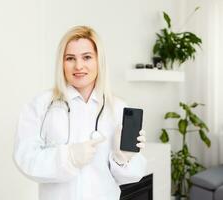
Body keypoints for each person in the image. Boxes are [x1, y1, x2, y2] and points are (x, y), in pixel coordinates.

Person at [13, 25, 147, 200]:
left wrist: (123, 159)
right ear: (61, 62)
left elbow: (132, 177)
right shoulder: (42, 105)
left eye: (87, 57)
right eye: (70, 58)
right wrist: (68, 157)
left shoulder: (118, 108)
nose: (79, 66)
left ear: (99, 61)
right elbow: (25, 159)